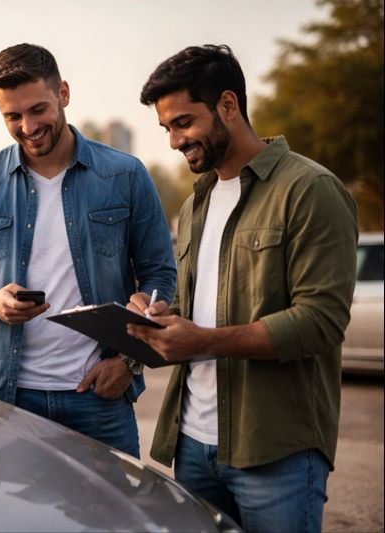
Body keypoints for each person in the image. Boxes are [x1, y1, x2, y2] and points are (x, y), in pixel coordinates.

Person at [129, 44, 357, 532]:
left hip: (277, 451)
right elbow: (196, 308)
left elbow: (321, 322)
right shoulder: (195, 206)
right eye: (167, 128)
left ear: (228, 106)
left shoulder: (309, 189)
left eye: (184, 123)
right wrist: (159, 317)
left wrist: (204, 341)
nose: (173, 141)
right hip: (191, 446)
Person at [0, 43, 176, 456]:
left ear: (63, 93)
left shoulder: (125, 175)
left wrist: (128, 363)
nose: (27, 126)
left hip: (101, 396)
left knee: (112, 520)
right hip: (6, 402)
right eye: (12, 116)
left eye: (37, 109)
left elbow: (160, 274)